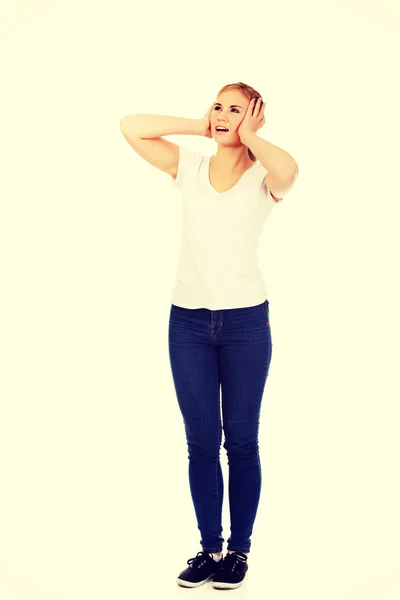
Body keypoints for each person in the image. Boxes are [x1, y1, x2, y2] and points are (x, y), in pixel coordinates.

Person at [120, 81, 298, 590]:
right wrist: (200, 126)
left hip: (245, 323)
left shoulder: (266, 176)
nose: (222, 115)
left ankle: (239, 552)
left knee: (241, 441)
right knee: (201, 443)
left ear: (255, 117)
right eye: (218, 106)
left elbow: (291, 171)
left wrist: (249, 135)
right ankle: (208, 550)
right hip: (189, 323)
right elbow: (131, 126)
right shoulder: (190, 168)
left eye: (235, 109)